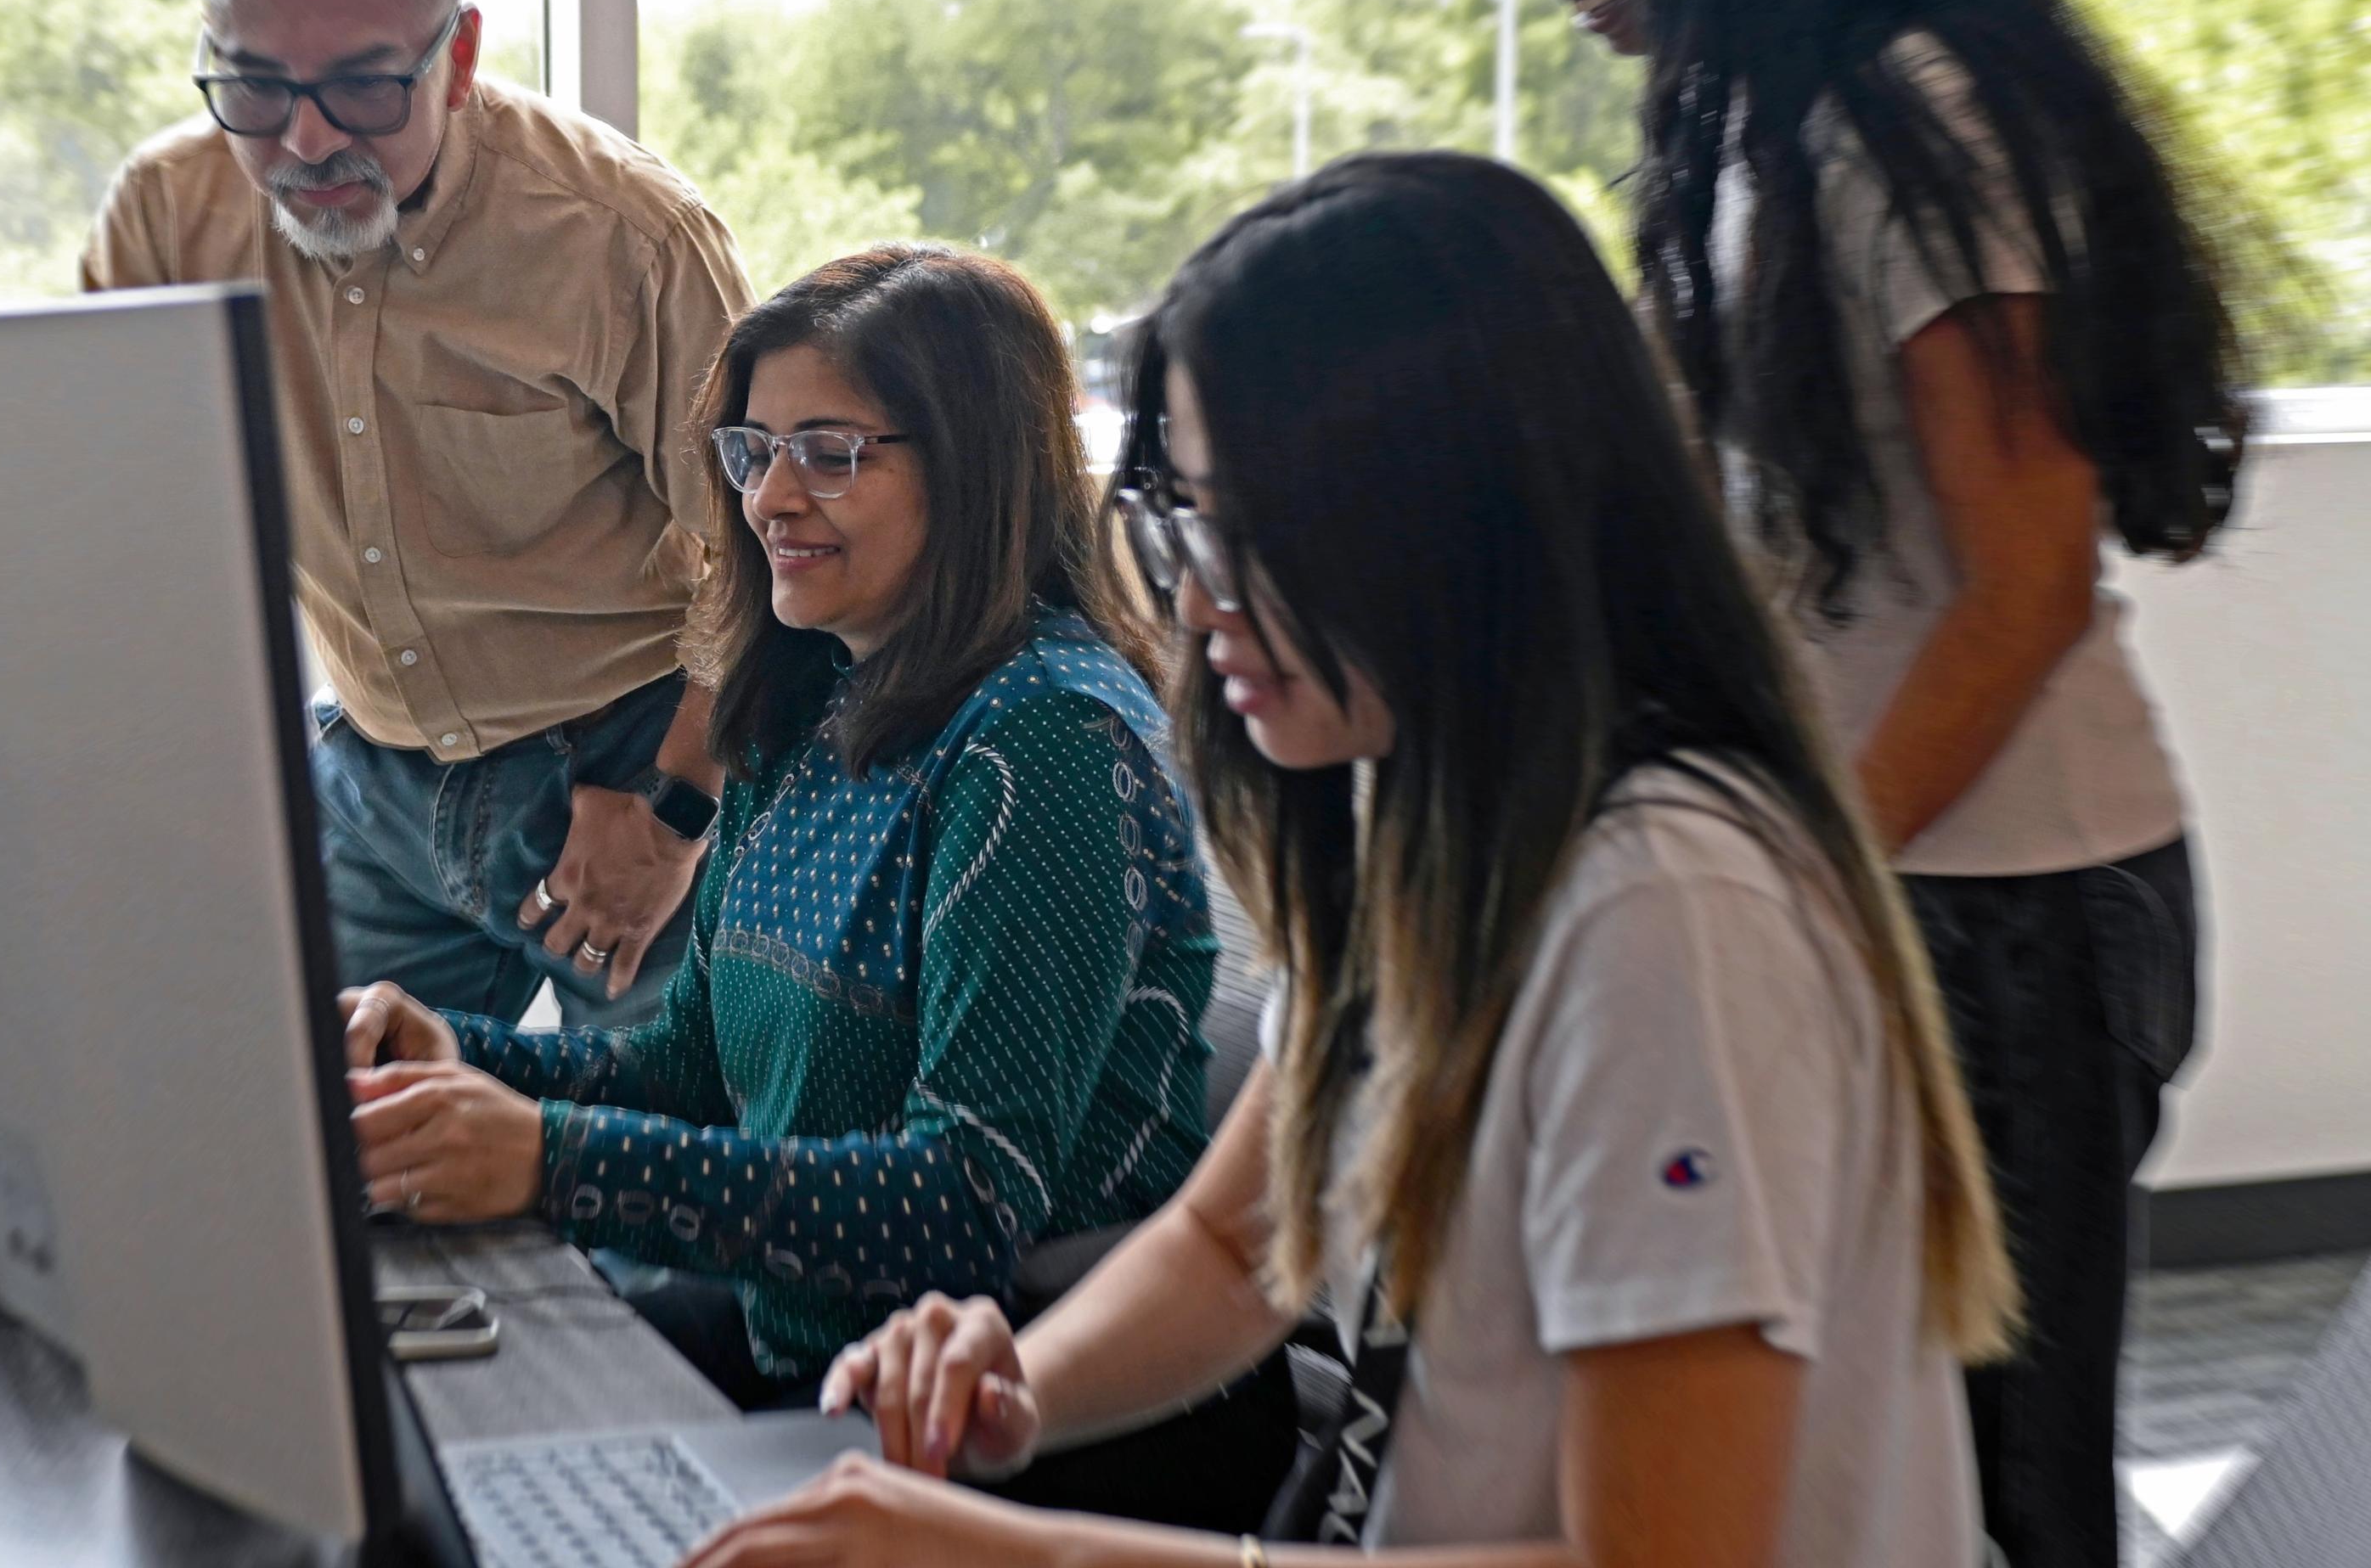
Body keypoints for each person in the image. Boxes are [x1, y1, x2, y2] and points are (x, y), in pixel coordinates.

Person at [696, 156, 2014, 1565]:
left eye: (1251, 535)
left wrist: (1027, 1553)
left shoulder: (1664, 913)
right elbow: (1233, 1247)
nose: (1197, 603)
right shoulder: (1439, 823)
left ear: (1457, 517)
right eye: (1181, 522)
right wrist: (1009, 1399)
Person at [1476, 0, 2244, 1565]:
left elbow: (2026, 577)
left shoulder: (1917, 116)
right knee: (1869, 1465)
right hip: (1900, 888)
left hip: (2008, 911)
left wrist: (1821, 891)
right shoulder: (1746, 117)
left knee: (2008, 1484)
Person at [339, 244, 1218, 1402]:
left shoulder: (1044, 740)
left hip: (1006, 1399)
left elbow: (961, 1205)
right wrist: (455, 1057)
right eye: (755, 452)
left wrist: (544, 1160)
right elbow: (689, 1069)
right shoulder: (807, 700)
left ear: (977, 468)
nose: (769, 497)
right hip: (817, 1347)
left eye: (831, 455)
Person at [82, 0, 752, 1027]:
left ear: (458, 56)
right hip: (370, 773)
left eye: (362, 88)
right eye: (255, 88)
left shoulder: (624, 240)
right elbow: (106, 502)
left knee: (663, 1171)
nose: (304, 139)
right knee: (342, 1168)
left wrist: (676, 813)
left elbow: (768, 556)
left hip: (630, 758)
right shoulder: (164, 217)